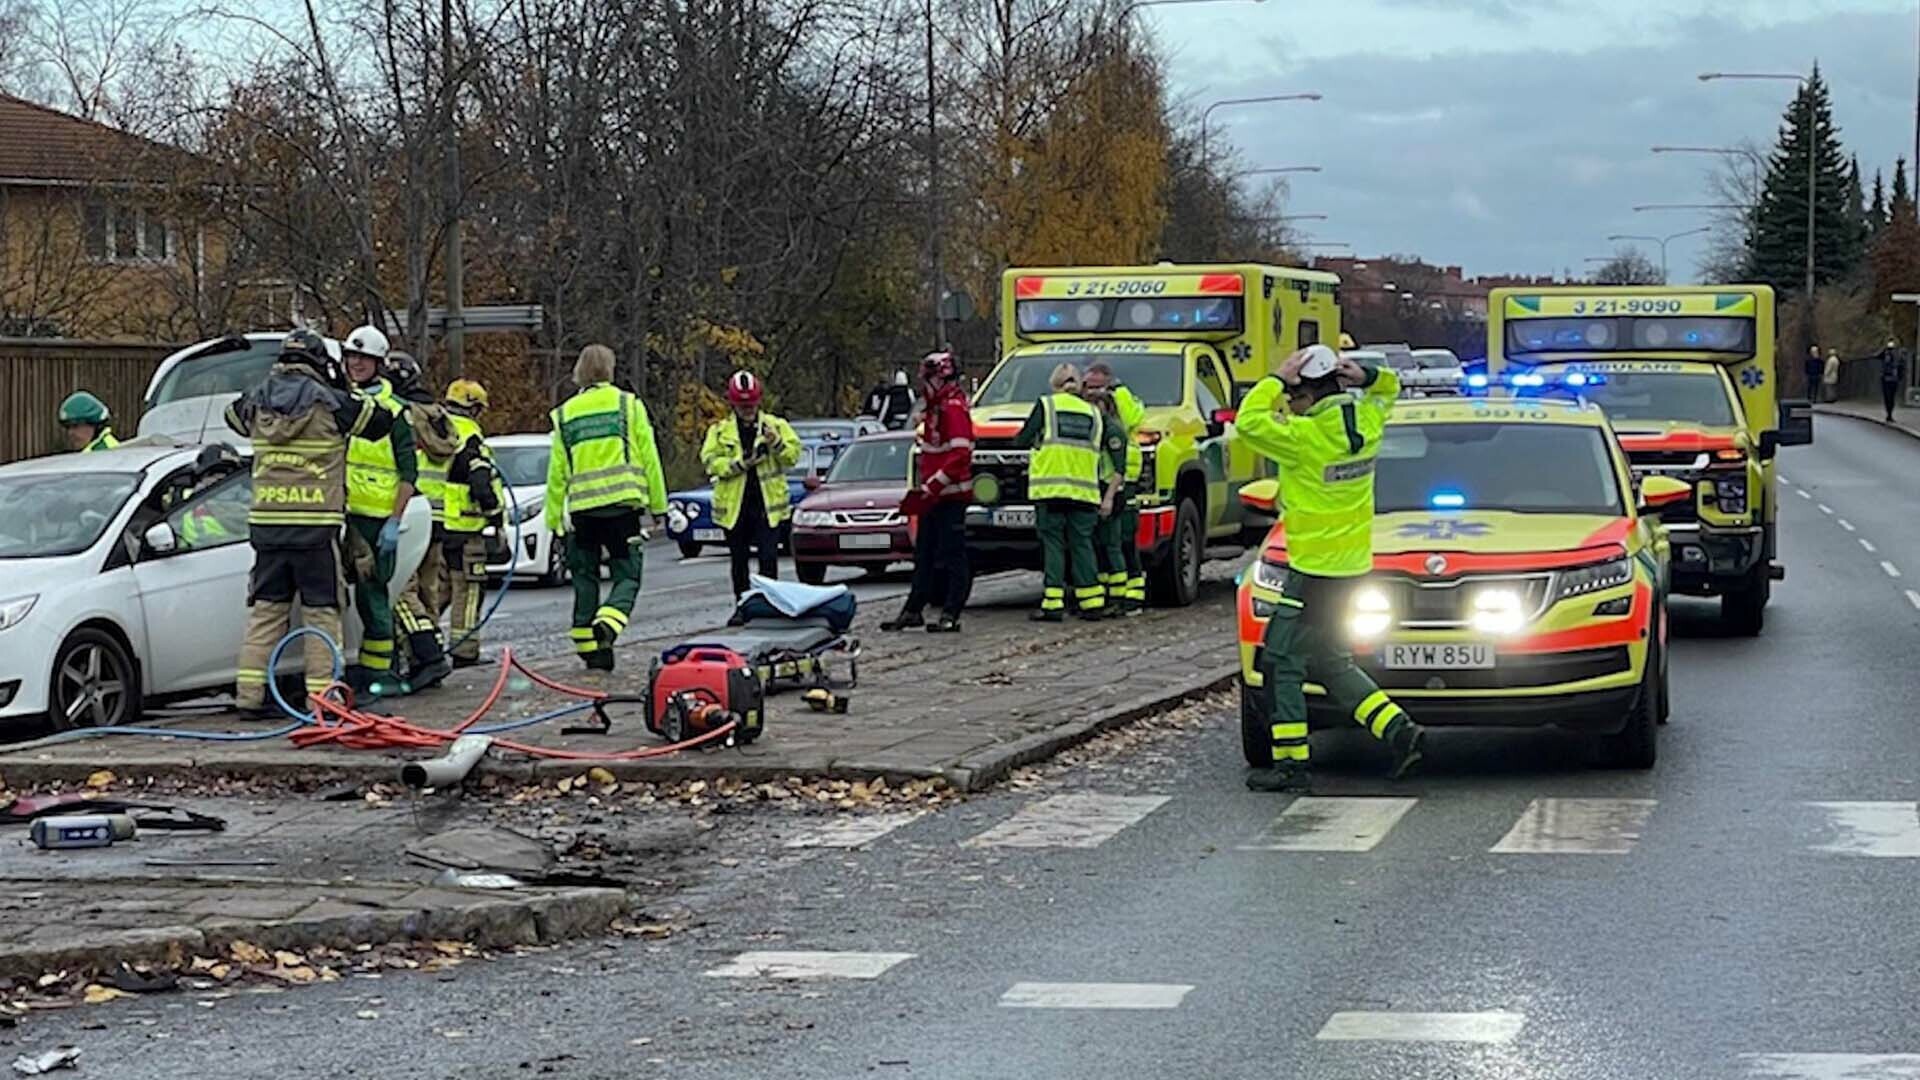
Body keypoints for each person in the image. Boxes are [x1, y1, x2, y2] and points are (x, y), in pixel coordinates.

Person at [1235, 344, 1426, 792]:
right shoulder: (1367, 423)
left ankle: (1291, 766)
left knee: (1281, 659)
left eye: (1294, 398)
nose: (1290, 406)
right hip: (1353, 566)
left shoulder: (1303, 437)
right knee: (1329, 661)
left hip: (1312, 570)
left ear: (1309, 393)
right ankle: (1401, 732)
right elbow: (1389, 389)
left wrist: (1275, 379)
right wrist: (1369, 377)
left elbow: (1247, 421)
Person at [224, 328, 393, 718]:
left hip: (266, 526)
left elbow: (231, 416)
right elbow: (379, 421)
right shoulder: (334, 403)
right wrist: (340, 386)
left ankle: (249, 696)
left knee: (266, 610)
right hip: (316, 527)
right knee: (321, 612)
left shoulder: (257, 400)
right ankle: (323, 701)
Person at [544, 344, 667, 671]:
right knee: (627, 577)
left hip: (582, 512)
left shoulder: (565, 413)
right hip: (621, 509)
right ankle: (609, 625)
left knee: (584, 579)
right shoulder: (628, 405)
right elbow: (650, 457)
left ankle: (593, 653)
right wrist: (659, 504)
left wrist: (553, 518)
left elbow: (557, 472)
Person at [339, 325, 417, 695]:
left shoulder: (395, 411)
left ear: (378, 364)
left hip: (376, 520)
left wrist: (394, 521)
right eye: (351, 356)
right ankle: (368, 672)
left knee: (373, 598)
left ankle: (380, 674)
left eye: (363, 358)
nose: (355, 363)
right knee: (350, 599)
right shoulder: (340, 402)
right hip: (342, 516)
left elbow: (408, 472)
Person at [881, 351, 974, 633]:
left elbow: (960, 454)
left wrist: (933, 485)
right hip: (934, 496)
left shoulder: (953, 408)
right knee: (924, 554)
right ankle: (913, 609)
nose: (925, 386)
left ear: (941, 379)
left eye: (929, 380)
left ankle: (951, 612)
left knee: (952, 554)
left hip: (950, 496)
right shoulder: (936, 409)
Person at [388, 351, 459, 688]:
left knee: (402, 590)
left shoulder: (400, 414)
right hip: (438, 515)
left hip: (407, 513)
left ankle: (427, 656)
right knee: (428, 591)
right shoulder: (440, 417)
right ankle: (428, 662)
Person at [1015, 363, 1108, 622]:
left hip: (1051, 489)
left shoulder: (1047, 406)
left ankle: (1053, 604)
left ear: (1054, 384)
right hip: (1086, 492)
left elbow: (1021, 440)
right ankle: (1092, 603)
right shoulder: (1093, 413)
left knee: (1054, 545)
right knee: (1082, 545)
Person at [701, 371, 802, 605]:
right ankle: (743, 605)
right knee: (739, 560)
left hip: (767, 506)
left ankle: (771, 604)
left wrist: (776, 442)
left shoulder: (776, 426)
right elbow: (710, 462)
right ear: (733, 403)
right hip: (736, 508)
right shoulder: (719, 431)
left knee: (768, 558)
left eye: (752, 404)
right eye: (742, 405)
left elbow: (793, 457)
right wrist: (739, 465)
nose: (748, 409)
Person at [436, 378, 505, 668]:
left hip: (434, 523)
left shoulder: (433, 425)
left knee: (437, 590)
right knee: (468, 588)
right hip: (464, 526)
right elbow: (479, 482)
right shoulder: (470, 436)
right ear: (474, 409)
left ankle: (419, 644)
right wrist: (494, 512)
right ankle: (465, 651)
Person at [1084, 362, 1147, 616]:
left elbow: (1130, 419)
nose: (1090, 391)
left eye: (1095, 386)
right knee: (1109, 541)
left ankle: (1131, 597)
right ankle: (1117, 594)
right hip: (1108, 479)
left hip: (1124, 479)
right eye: (1087, 386)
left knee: (1124, 540)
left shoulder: (1121, 402)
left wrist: (1114, 391)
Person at [1880, 339, 1907, 422]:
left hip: (1893, 379)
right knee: (1888, 397)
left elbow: (1902, 366)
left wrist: (1900, 376)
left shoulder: (1898, 356)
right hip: (1887, 378)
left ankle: (1889, 414)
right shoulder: (1885, 354)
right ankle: (1889, 414)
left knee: (1891, 397)